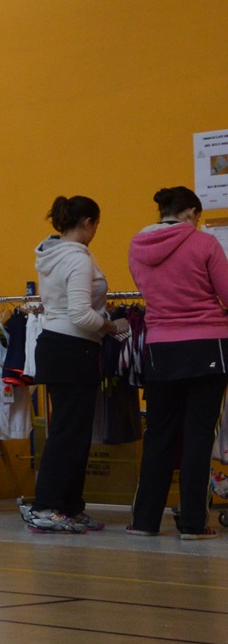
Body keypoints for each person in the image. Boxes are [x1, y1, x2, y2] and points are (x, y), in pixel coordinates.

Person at [126, 186, 228, 540]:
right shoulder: (204, 243)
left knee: (159, 434)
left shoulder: (137, 246)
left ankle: (145, 521)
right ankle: (193, 523)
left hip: (159, 348)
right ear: (191, 213)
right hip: (207, 346)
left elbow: (147, 290)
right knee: (199, 435)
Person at [24, 194, 130, 534]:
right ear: (87, 222)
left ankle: (70, 505)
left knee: (77, 433)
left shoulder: (52, 254)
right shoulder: (78, 259)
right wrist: (113, 326)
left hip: (61, 348)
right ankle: (45, 507)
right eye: (96, 225)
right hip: (72, 350)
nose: (96, 231)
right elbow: (81, 314)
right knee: (68, 433)